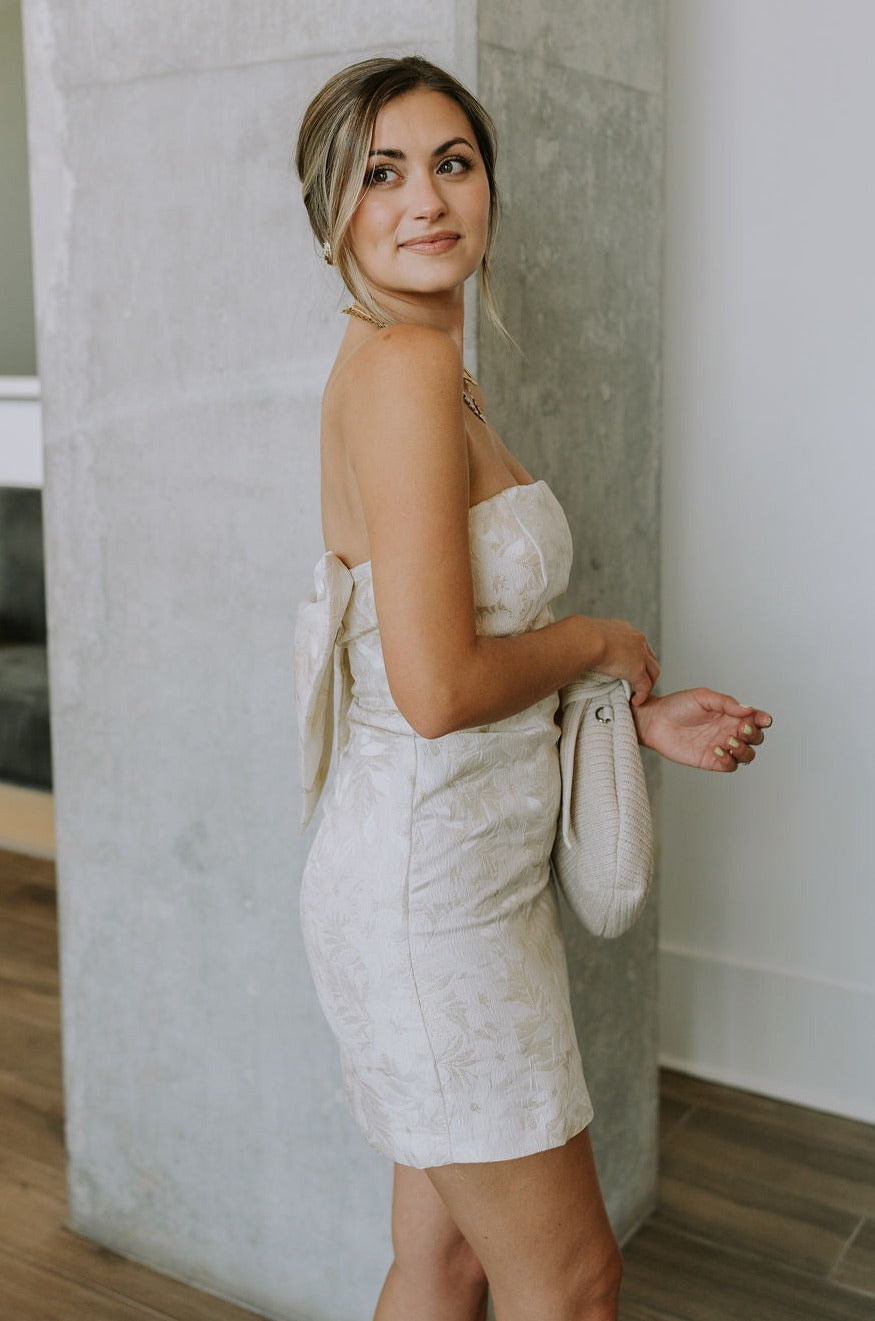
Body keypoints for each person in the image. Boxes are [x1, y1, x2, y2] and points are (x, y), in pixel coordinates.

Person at [293, 55, 771, 1321]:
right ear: (330, 207)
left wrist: (622, 711)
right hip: (428, 898)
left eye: (452, 161)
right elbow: (438, 686)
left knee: (444, 1262)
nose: (426, 198)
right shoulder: (399, 369)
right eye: (380, 172)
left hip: (450, 875)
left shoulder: (428, 368)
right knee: (570, 1280)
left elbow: (440, 663)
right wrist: (603, 643)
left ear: (489, 183)